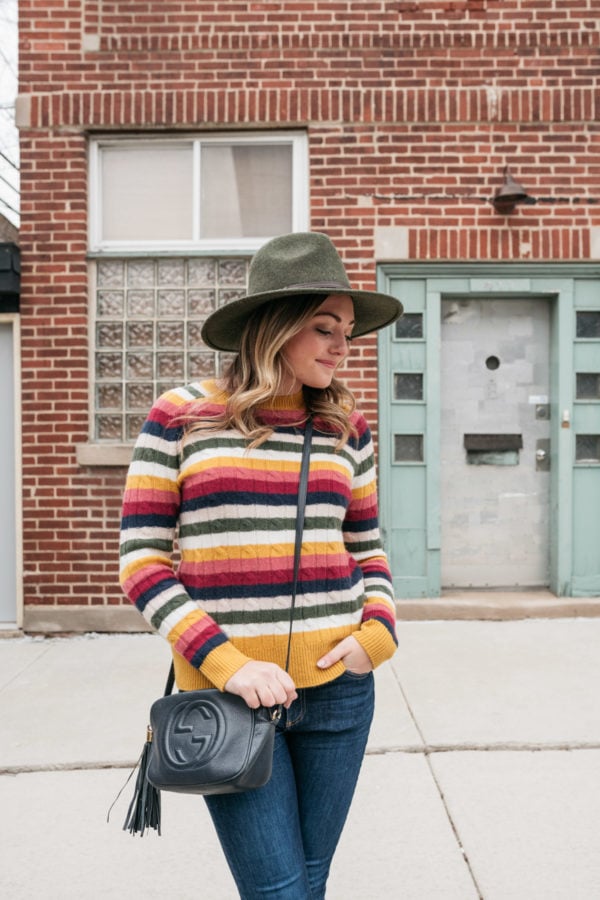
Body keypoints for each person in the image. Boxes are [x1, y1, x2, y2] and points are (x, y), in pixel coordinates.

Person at [119, 231, 403, 899]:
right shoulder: (182, 415)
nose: (343, 346)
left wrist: (379, 636)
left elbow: (366, 545)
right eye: (324, 327)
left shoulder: (345, 428)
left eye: (349, 332)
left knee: (309, 880)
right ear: (274, 327)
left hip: (339, 690)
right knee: (277, 891)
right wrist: (228, 664)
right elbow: (142, 561)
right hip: (230, 698)